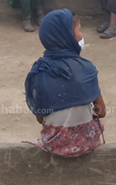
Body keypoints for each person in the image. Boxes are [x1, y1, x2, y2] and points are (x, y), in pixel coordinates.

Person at [26, 9, 106, 157]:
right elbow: (101, 112)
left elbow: (40, 118)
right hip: (87, 144)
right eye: (79, 31)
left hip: (53, 145)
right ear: (68, 37)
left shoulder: (39, 71)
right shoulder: (86, 68)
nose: (82, 36)